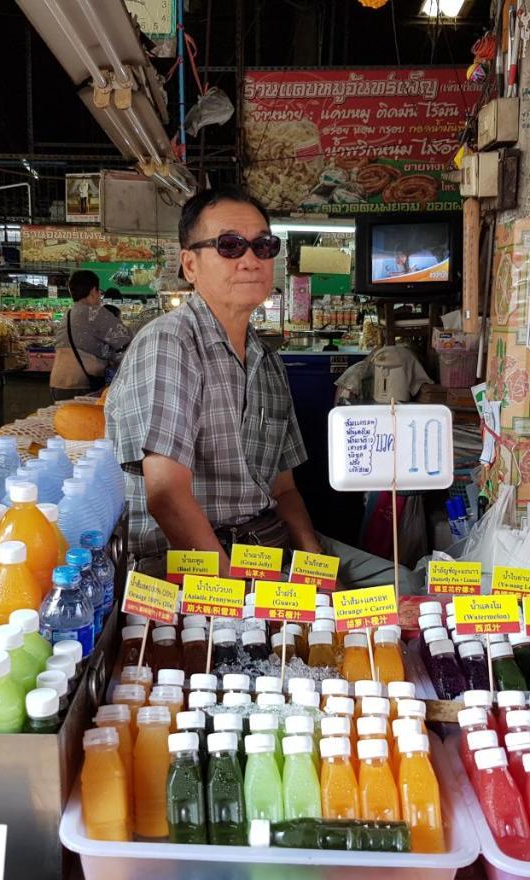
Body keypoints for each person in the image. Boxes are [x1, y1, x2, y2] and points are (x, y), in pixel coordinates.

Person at [107, 186, 410, 589]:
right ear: (190, 265)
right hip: (189, 561)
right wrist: (236, 598)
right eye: (230, 246)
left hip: (266, 545)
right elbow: (166, 496)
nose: (251, 260)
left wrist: (315, 565)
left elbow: (284, 491)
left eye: (263, 246)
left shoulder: (267, 362)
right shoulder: (172, 342)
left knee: (402, 587)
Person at [50, 270, 133, 401]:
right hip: (80, 383)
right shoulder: (95, 313)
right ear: (93, 290)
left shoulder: (69, 314)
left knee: (64, 419)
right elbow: (127, 339)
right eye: (98, 290)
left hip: (57, 382)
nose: (99, 295)